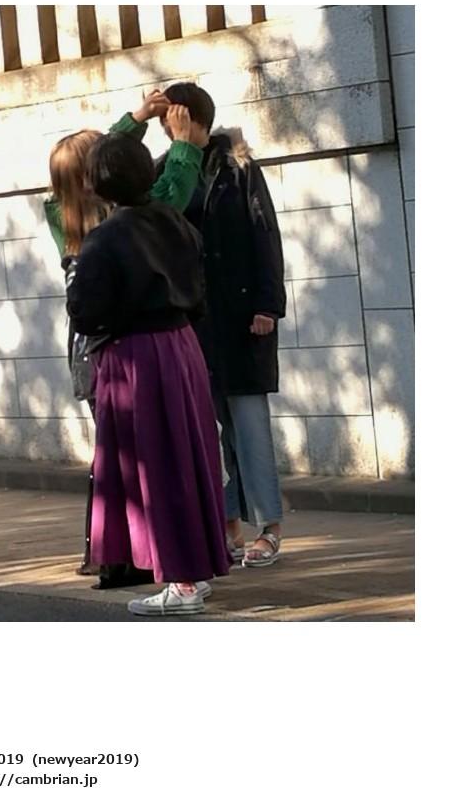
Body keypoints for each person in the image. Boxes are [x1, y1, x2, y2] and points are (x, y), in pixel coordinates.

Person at [66, 133, 231, 616]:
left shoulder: (103, 239)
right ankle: (195, 568)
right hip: (182, 345)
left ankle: (182, 582)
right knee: (189, 456)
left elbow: (86, 313)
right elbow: (199, 288)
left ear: (97, 183)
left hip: (135, 356)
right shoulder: (175, 222)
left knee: (155, 464)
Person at [45, 93, 205, 588]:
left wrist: (133, 122)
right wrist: (182, 145)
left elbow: (84, 310)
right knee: (165, 452)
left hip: (100, 348)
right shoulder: (151, 217)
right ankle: (169, 556)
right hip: (155, 344)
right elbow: (171, 187)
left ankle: (118, 552)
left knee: (119, 454)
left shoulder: (65, 217)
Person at [158, 82, 287, 567]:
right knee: (209, 431)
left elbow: (264, 234)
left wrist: (268, 306)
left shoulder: (238, 166)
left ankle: (269, 526)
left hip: (243, 316)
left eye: (174, 119)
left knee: (250, 426)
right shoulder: (167, 171)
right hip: (193, 322)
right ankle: (227, 523)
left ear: (194, 119)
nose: (169, 129)